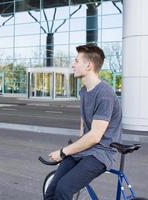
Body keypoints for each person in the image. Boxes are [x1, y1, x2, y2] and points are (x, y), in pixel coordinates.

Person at [44, 44, 122, 200]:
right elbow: (84, 130)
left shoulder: (104, 93)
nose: (73, 64)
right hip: (86, 149)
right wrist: (69, 154)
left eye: (76, 60)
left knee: (64, 190)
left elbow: (94, 137)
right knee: (51, 190)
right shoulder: (84, 91)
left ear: (88, 65)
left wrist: (63, 152)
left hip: (101, 152)